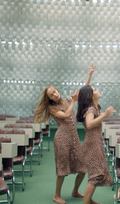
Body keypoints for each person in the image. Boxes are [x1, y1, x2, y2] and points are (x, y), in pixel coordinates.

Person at [34, 64, 96, 204]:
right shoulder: (52, 108)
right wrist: (73, 102)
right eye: (52, 94)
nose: (55, 94)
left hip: (74, 138)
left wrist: (90, 75)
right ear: (49, 98)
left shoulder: (67, 101)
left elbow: (82, 91)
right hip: (62, 138)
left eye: (55, 91)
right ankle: (57, 195)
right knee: (62, 169)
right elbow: (67, 115)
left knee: (83, 168)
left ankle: (75, 190)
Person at [76, 85, 116, 204]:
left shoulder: (95, 107)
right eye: (95, 90)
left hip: (95, 142)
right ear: (91, 95)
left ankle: (88, 200)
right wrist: (105, 114)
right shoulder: (91, 110)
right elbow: (89, 124)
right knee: (96, 175)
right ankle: (86, 202)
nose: (97, 91)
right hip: (92, 144)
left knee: (96, 173)